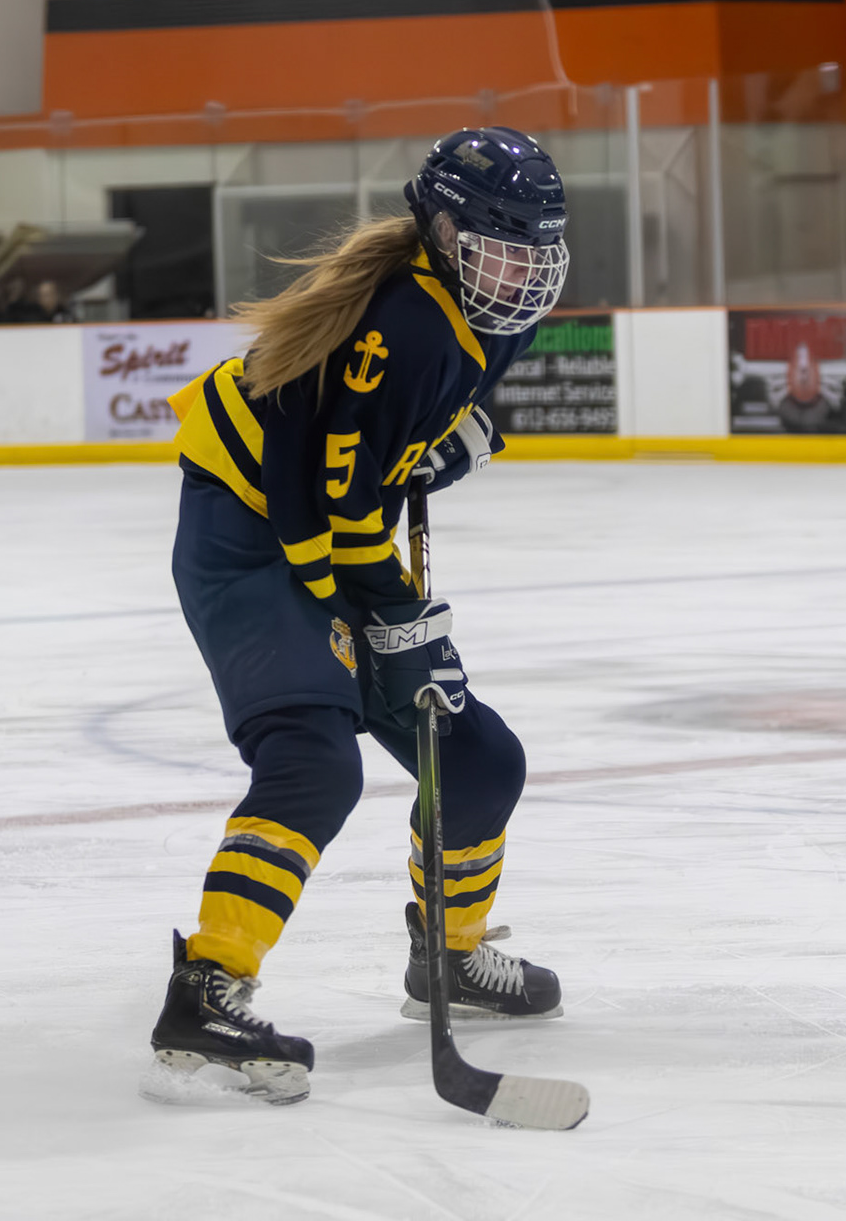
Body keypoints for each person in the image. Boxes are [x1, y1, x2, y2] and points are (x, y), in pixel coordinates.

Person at [148, 128, 571, 1105]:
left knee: (480, 762)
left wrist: (449, 442)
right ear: (445, 232)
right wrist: (394, 621)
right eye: (504, 247)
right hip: (248, 531)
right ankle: (205, 987)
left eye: (538, 249)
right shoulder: (405, 323)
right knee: (314, 759)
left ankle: (446, 953)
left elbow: (403, 438)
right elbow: (327, 505)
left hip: (322, 526)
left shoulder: (491, 308)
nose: (525, 272)